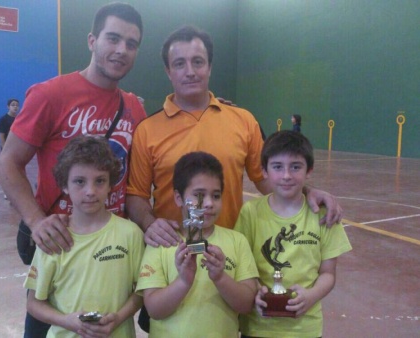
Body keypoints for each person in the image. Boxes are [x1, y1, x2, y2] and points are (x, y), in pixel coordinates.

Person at [0, 3, 146, 337]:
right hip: (58, 243)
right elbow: (8, 163)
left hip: (109, 249)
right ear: (92, 40)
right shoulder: (50, 94)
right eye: (113, 38)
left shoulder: (135, 108)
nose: (121, 50)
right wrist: (36, 222)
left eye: (131, 44)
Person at [126, 25, 342, 249]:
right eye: (179, 64)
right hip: (171, 253)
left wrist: (308, 191)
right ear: (168, 71)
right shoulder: (147, 130)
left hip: (231, 254)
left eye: (198, 62)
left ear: (209, 67)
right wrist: (149, 223)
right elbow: (136, 195)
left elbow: (266, 180)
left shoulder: (244, 120)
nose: (189, 71)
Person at [234, 130, 352, 338]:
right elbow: (243, 268)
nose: (286, 175)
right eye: (277, 167)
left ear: (309, 171)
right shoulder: (250, 213)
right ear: (264, 171)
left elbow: (328, 274)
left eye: (295, 167)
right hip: (258, 326)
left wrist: (311, 296)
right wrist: (256, 292)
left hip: (305, 329)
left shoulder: (324, 215)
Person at [24, 135, 144, 338]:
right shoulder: (54, 237)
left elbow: (141, 292)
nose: (90, 191)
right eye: (79, 181)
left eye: (100, 181)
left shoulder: (130, 234)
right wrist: (66, 321)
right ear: (64, 185)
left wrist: (119, 317)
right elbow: (34, 303)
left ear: (110, 184)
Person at [136, 151, 259, 337]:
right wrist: (184, 281)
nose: (208, 203)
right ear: (178, 198)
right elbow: (154, 310)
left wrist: (220, 278)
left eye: (216, 196)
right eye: (199, 195)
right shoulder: (162, 242)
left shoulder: (237, 241)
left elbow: (247, 304)